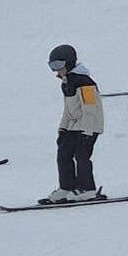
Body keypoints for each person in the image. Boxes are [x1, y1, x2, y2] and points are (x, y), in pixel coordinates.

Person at [45, 44, 105, 202]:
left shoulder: (85, 83)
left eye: (58, 65)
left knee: (82, 155)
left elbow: (90, 108)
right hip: (73, 126)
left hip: (89, 126)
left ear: (69, 63)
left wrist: (87, 132)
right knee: (63, 155)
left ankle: (87, 188)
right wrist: (62, 128)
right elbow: (68, 109)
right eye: (52, 66)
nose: (56, 70)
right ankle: (67, 187)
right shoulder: (67, 82)